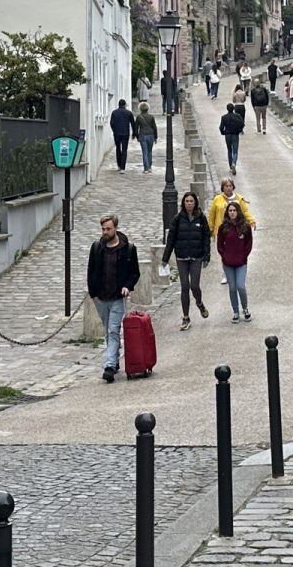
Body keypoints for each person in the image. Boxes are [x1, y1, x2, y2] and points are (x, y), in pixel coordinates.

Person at [87, 213, 141, 381]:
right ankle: (115, 360)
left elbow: (134, 272)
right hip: (101, 297)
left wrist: (127, 286)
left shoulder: (128, 249)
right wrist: (93, 292)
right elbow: (91, 271)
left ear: (115, 228)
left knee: (113, 330)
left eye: (108, 229)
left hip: (117, 297)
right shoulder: (96, 248)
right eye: (103, 229)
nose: (105, 232)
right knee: (108, 332)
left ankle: (109, 365)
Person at [161, 191, 209, 329]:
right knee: (184, 287)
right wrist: (165, 258)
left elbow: (206, 238)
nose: (189, 203)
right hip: (181, 256)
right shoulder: (177, 219)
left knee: (194, 285)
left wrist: (206, 256)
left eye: (191, 201)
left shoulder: (201, 218)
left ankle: (199, 303)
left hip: (196, 257)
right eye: (186, 201)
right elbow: (171, 239)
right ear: (183, 203)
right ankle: (186, 317)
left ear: (195, 203)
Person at [216, 200, 253, 322]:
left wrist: (244, 256)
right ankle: (235, 311)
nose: (232, 213)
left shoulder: (245, 227)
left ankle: (245, 308)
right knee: (232, 287)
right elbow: (220, 244)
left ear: (238, 212)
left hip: (241, 262)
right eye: (230, 211)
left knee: (240, 286)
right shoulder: (223, 228)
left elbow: (249, 244)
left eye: (234, 210)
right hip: (228, 263)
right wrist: (224, 256)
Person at [109, 99, 136, 171]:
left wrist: (114, 130)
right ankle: (122, 167)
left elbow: (111, 123)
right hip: (125, 133)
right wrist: (134, 133)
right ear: (124, 105)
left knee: (118, 149)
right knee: (124, 150)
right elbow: (133, 124)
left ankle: (119, 165)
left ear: (118, 104)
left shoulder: (114, 113)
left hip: (117, 133)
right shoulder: (128, 113)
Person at [134, 100, 159, 173]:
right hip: (151, 135)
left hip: (143, 135)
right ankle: (150, 167)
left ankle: (146, 168)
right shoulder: (151, 117)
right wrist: (156, 137)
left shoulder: (139, 117)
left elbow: (136, 128)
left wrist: (137, 136)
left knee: (144, 152)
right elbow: (154, 127)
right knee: (150, 152)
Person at [220, 102, 244, 173]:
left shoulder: (224, 117)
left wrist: (223, 132)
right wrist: (239, 130)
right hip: (235, 134)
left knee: (229, 150)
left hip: (227, 135)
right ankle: (234, 163)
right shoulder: (238, 116)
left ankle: (230, 166)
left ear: (227, 109)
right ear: (233, 109)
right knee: (235, 151)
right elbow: (242, 124)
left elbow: (221, 127)